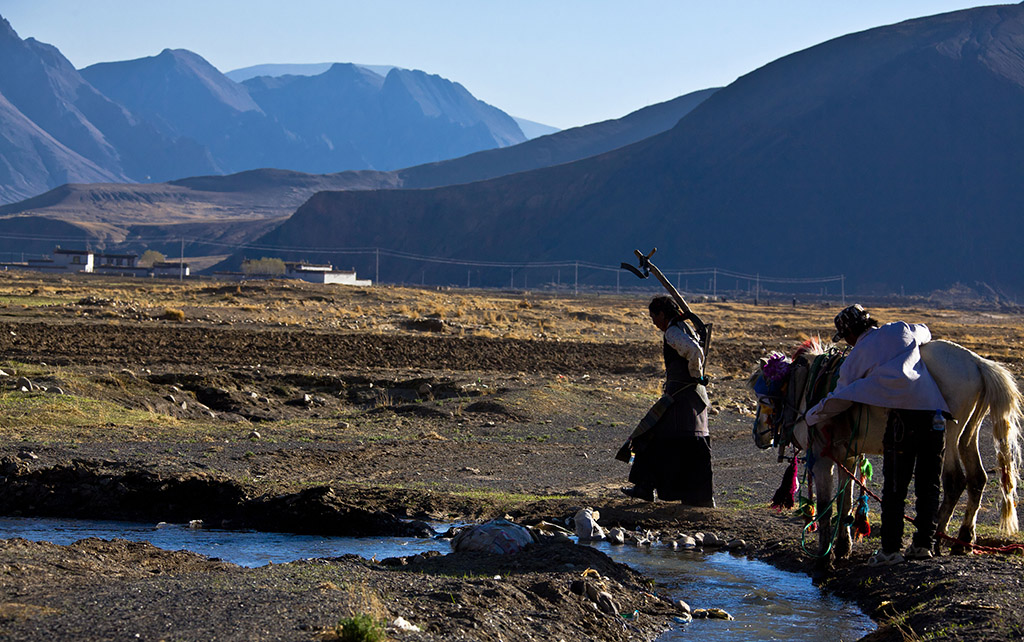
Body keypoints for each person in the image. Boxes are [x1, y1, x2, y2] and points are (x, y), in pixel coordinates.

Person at [805, 304, 947, 566]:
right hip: (935, 416)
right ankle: (923, 545)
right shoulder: (901, 329)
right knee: (929, 484)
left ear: (848, 334)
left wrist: (812, 415)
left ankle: (891, 551)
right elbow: (925, 331)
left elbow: (841, 397)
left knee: (895, 487)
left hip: (902, 420)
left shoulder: (856, 356)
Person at [619, 295, 714, 507]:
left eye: (654, 316)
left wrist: (695, 374)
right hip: (691, 398)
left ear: (662, 314)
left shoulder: (673, 331)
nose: (654, 322)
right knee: (668, 441)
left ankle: (645, 486)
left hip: (681, 398)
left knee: (651, 435)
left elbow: (695, 352)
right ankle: (648, 486)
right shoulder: (684, 328)